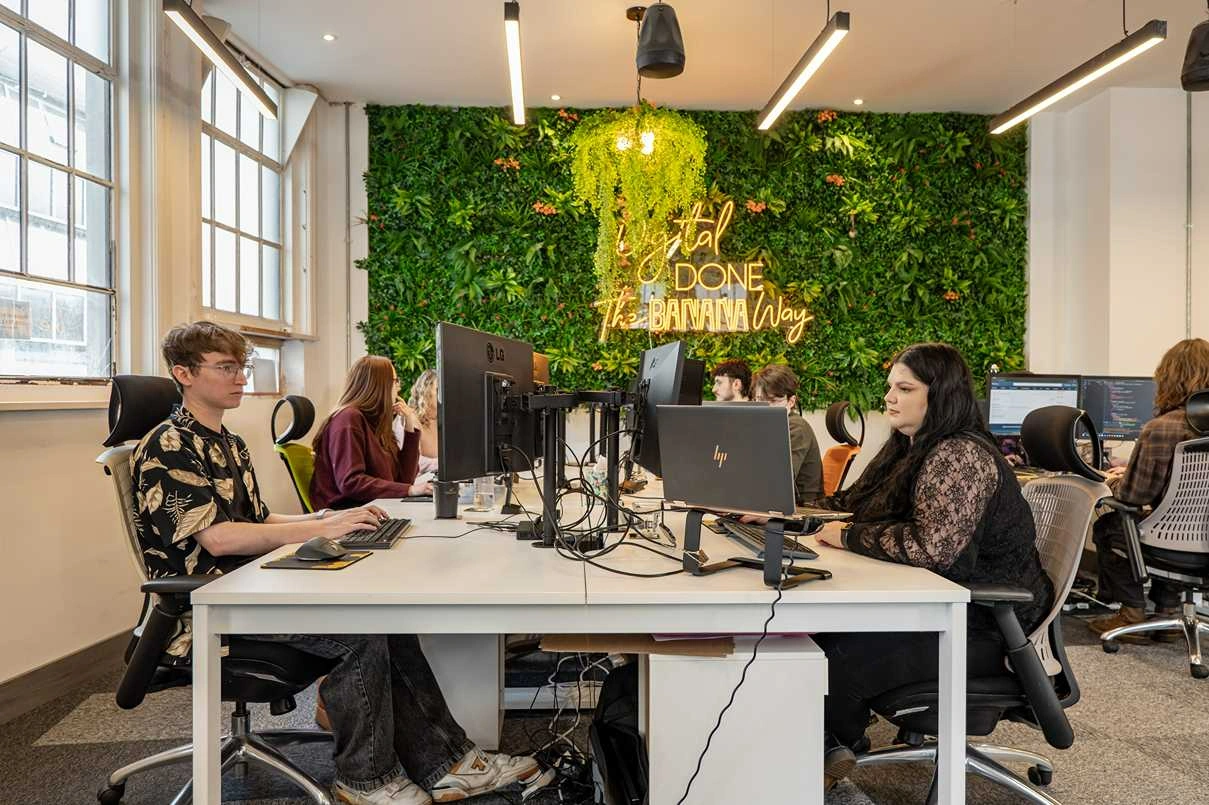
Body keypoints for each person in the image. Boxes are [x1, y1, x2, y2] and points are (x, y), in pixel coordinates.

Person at [131, 322, 548, 804]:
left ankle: (448, 762)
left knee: (386, 620)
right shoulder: (169, 445)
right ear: (183, 373)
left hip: (254, 584)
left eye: (241, 367)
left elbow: (260, 518)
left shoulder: (228, 441)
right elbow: (220, 539)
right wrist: (317, 528)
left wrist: (330, 516)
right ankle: (365, 781)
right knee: (359, 632)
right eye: (226, 368)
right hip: (205, 606)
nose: (240, 378)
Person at [808, 343, 1055, 789]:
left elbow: (932, 549)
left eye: (905, 388)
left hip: (985, 624)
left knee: (832, 658)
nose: (890, 397)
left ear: (939, 395)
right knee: (812, 633)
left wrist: (846, 536)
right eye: (890, 387)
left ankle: (820, 756)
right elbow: (851, 508)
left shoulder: (959, 455)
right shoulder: (909, 447)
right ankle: (828, 744)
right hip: (945, 601)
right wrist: (785, 516)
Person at [1088, 338, 1209, 641]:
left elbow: (1133, 496)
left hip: (1167, 539)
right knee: (1169, 522)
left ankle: (1132, 612)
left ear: (1170, 377)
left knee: (1111, 525)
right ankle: (1167, 613)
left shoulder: (1162, 427)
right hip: (1204, 537)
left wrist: (1113, 478)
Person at [311, 357, 433, 511]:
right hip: (347, 516)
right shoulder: (348, 419)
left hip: (377, 510)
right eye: (395, 381)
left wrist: (411, 429)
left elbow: (403, 481)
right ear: (379, 385)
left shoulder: (377, 423)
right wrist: (410, 490)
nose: (399, 388)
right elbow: (351, 482)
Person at [750, 364, 823, 504]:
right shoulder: (764, 426)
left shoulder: (796, 428)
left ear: (791, 401)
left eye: (773, 401)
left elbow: (780, 481)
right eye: (759, 400)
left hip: (802, 507)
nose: (765, 408)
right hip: (771, 501)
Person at [405, 369, 439, 475]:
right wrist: (444, 464)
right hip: (418, 485)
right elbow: (414, 461)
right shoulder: (410, 418)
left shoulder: (443, 419)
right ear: (425, 391)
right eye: (438, 390)